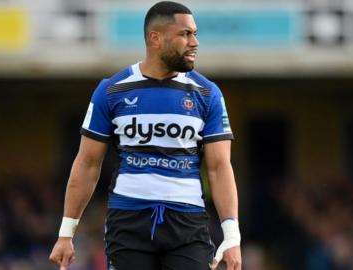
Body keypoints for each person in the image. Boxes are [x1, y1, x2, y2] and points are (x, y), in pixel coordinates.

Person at [49, 1, 241, 269]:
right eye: (185, 34)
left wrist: (232, 235)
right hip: (128, 223)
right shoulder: (112, 90)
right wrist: (66, 233)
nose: (194, 42)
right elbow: (87, 163)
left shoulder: (207, 93)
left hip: (188, 225)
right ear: (156, 38)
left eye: (195, 34)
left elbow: (220, 168)